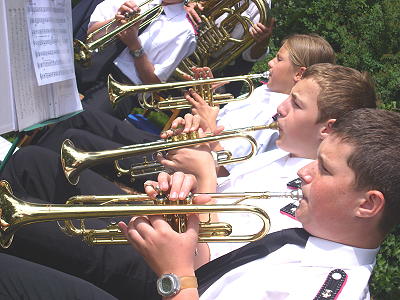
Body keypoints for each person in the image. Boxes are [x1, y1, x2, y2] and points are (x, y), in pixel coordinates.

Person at [119, 108, 400, 299]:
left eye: (324, 169)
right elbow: (211, 274)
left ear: (368, 205)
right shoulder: (306, 238)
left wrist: (175, 276)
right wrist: (184, 222)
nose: (303, 171)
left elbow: (187, 281)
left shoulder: (332, 288)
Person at [158, 63, 378, 260]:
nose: (281, 108)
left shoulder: (304, 194)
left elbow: (215, 256)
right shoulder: (281, 153)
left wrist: (205, 174)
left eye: (297, 104)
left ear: (327, 128)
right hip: (172, 232)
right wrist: (198, 149)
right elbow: (225, 190)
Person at [82, 0, 197, 119]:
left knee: (78, 122)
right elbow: (92, 34)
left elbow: (153, 83)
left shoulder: (185, 32)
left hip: (121, 86)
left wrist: (134, 45)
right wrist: (115, 23)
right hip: (92, 62)